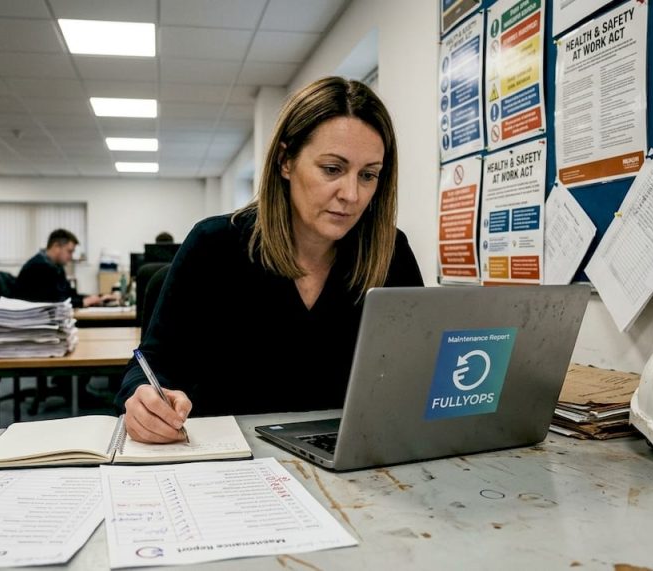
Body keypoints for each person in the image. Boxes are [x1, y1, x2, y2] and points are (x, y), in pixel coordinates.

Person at [118, 76, 424, 443]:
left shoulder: (390, 252)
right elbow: (152, 364)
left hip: (348, 459)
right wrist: (143, 400)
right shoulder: (215, 246)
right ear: (285, 162)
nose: (351, 194)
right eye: (332, 169)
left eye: (368, 175)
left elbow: (416, 370)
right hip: (234, 464)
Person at [14, 229, 113, 308]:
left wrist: (94, 297)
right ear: (56, 246)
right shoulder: (39, 266)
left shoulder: (56, 266)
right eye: (69, 251)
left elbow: (67, 295)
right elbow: (54, 301)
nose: (71, 256)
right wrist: (83, 302)